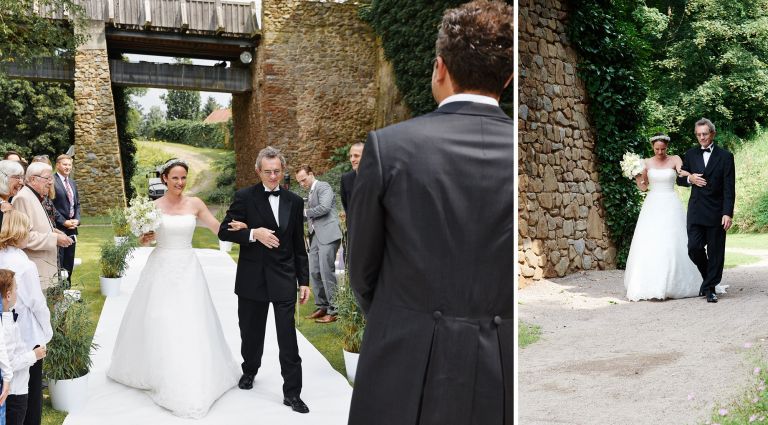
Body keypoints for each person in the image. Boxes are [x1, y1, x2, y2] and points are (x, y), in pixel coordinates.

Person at [346, 1, 514, 424]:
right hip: (505, 369)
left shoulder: (389, 148)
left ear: (439, 68)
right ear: (509, 78)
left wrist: (402, 320)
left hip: (404, 361)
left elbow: (362, 269)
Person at [107, 158, 241, 418]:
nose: (180, 182)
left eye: (183, 178)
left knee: (191, 319)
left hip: (188, 268)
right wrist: (144, 237)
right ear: (164, 178)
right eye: (175, 178)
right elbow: (145, 239)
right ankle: (161, 371)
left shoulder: (195, 204)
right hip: (161, 268)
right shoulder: (152, 207)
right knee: (161, 319)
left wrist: (240, 229)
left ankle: (193, 373)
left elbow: (218, 229)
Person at [217, 146, 311, 414]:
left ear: (283, 171)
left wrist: (303, 280)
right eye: (268, 172)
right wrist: (253, 233)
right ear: (258, 170)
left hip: (283, 277)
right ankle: (249, 370)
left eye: (277, 172)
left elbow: (297, 244)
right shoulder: (244, 197)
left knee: (288, 338)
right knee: (251, 332)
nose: (272, 177)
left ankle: (293, 392)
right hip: (252, 278)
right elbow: (224, 232)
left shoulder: (294, 201)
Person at [624, 133, 727, 301]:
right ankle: (652, 283)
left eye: (663, 149)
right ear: (652, 147)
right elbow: (643, 187)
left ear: (667, 147)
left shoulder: (675, 159)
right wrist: (636, 175)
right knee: (651, 242)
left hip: (671, 203)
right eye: (657, 149)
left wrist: (689, 176)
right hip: (653, 205)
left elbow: (682, 173)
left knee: (675, 241)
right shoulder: (646, 163)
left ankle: (697, 281)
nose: (660, 152)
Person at [0, 211, 53, 425]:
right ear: (19, 231)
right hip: (26, 334)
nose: (30, 235)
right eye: (28, 230)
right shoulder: (25, 265)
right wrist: (47, 331)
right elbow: (37, 304)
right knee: (31, 390)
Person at [676, 118, 736, 303]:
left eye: (705, 134)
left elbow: (729, 187)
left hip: (717, 212)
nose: (702, 137)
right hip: (696, 211)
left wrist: (727, 213)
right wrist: (690, 179)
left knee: (716, 252)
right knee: (693, 248)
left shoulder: (726, 157)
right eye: (699, 134)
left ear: (713, 134)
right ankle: (709, 279)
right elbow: (680, 178)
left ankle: (709, 288)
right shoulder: (691, 154)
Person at [11, 162, 71, 290]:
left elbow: (37, 226)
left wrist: (55, 232)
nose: (51, 182)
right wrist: (54, 238)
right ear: (33, 179)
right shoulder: (23, 198)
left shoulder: (36, 196)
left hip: (45, 268)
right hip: (37, 271)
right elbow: (22, 237)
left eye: (51, 178)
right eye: (47, 178)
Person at [0, 268, 47, 425]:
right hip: (14, 393)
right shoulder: (5, 328)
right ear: (8, 295)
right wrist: (34, 355)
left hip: (17, 389)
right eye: (16, 289)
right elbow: (9, 363)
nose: (17, 292)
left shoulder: (8, 317)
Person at [296, 165, 342, 324]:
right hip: (315, 236)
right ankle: (322, 306)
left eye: (304, 179)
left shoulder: (323, 186)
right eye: (299, 182)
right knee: (314, 271)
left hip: (328, 234)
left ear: (311, 174)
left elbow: (324, 208)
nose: (302, 183)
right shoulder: (310, 192)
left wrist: (303, 212)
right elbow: (309, 216)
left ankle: (335, 310)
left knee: (326, 271)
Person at [52, 155, 80, 283]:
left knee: (69, 261)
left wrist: (77, 220)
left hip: (72, 229)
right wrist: (64, 222)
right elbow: (50, 206)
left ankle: (67, 289)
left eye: (69, 165)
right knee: (60, 262)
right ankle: (58, 293)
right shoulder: (52, 181)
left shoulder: (72, 183)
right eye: (65, 164)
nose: (68, 167)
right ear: (57, 165)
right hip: (59, 229)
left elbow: (77, 204)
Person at [340, 142, 364, 217]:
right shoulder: (346, 179)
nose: (352, 159)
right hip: (353, 226)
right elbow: (346, 204)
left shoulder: (377, 178)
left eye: (356, 156)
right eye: (351, 156)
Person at [0, 160, 26, 226]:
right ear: (3, 178)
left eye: (22, 177)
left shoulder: (8, 201)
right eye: (17, 177)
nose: (21, 182)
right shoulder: (4, 208)